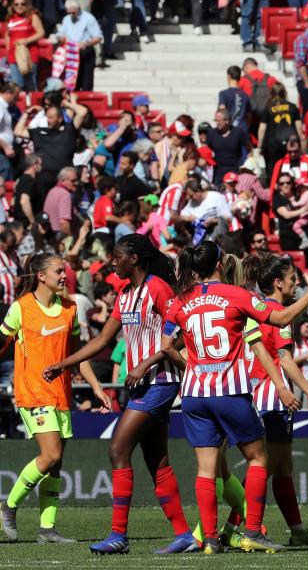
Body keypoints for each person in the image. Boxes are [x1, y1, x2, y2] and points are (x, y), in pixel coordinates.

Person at [160, 241, 308, 554]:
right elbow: (279, 320)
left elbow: (165, 346)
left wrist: (193, 368)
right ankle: (253, 529)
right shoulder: (237, 294)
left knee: (205, 469)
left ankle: (210, 539)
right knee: (258, 458)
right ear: (219, 264)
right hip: (229, 391)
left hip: (194, 395)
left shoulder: (179, 301)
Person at [43, 235, 196, 554]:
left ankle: (118, 535)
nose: (111, 262)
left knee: (117, 449)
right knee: (157, 461)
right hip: (141, 385)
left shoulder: (158, 288)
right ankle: (184, 535)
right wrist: (63, 364)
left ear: (134, 259)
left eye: (116, 257)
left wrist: (145, 363)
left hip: (161, 382)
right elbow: (100, 342)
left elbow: (183, 333)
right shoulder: (125, 296)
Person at [0, 253, 112, 544]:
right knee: (51, 455)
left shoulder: (70, 309)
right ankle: (8, 505)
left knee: (56, 465)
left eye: (65, 271)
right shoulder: (20, 308)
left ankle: (47, 529)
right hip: (33, 393)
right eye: (59, 271)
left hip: (61, 394)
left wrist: (97, 388)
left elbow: (79, 355)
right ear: (41, 276)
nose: (65, 276)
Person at [236, 253, 308, 546]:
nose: (296, 283)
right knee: (264, 468)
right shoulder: (279, 314)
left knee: (280, 468)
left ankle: (298, 531)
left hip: (255, 394)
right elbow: (286, 360)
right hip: (273, 398)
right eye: (292, 279)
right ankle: (235, 527)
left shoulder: (256, 309)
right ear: (277, 283)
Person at [54, 0, 103, 91]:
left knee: (86, 83)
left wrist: (87, 43)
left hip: (85, 51)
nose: (71, 15)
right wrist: (61, 37)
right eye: (69, 12)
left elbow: (98, 37)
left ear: (78, 9)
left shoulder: (88, 18)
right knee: (72, 83)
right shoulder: (66, 19)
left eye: (74, 12)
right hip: (71, 54)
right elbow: (60, 33)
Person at [5, 0, 45, 90]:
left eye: (23, 4)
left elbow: (41, 33)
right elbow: (7, 35)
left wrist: (26, 41)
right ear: (13, 6)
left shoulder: (32, 16)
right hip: (13, 55)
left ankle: (32, 104)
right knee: (16, 84)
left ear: (27, 5)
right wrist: (8, 48)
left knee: (30, 84)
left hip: (29, 55)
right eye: (16, 4)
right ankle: (18, 105)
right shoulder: (10, 18)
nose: (19, 6)